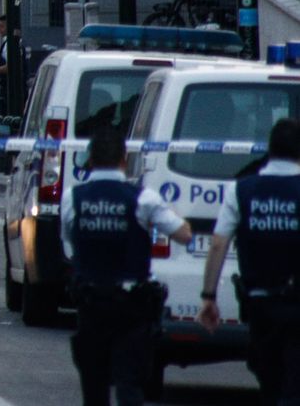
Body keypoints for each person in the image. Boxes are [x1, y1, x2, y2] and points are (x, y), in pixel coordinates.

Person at [62, 127, 192, 406]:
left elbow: (70, 239)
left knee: (94, 388)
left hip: (91, 303)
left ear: (90, 160)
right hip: (131, 307)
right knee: (129, 385)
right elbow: (184, 234)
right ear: (124, 158)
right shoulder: (143, 199)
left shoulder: (73, 198)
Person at [198, 118, 300, 404]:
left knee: (270, 383)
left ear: (269, 149)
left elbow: (218, 243)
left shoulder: (241, 189)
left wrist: (208, 296)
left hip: (260, 306)